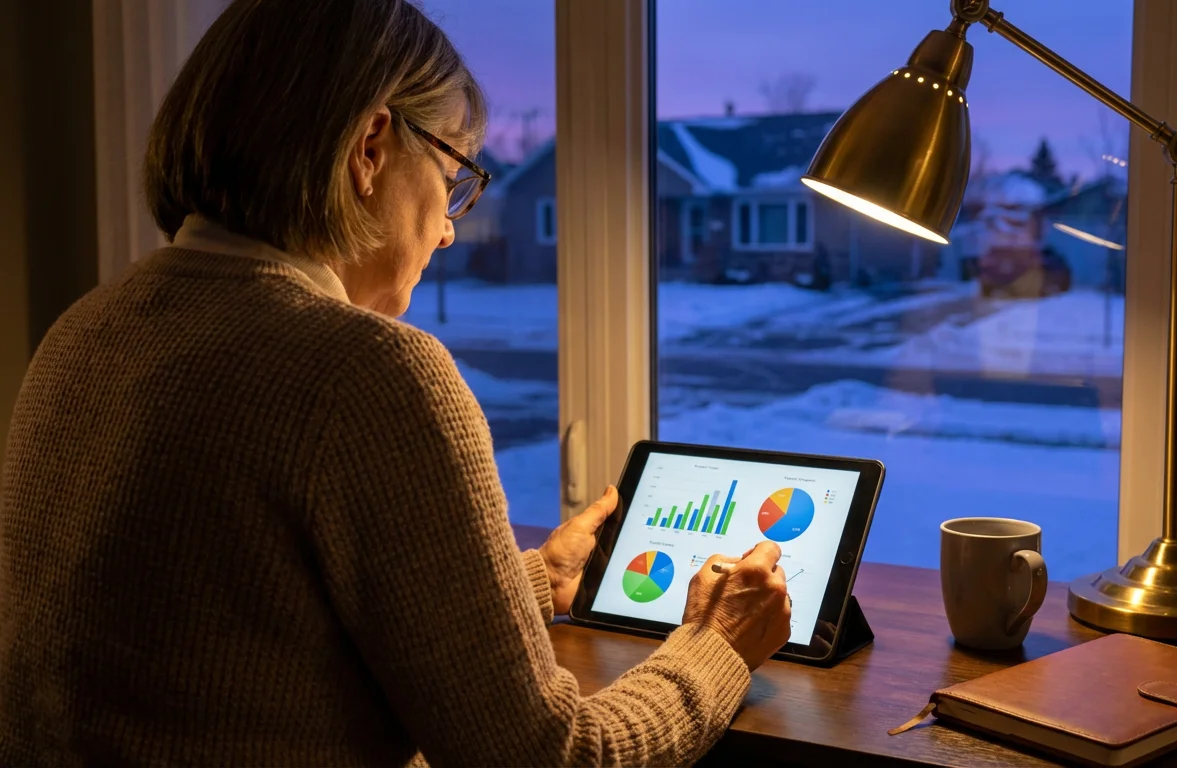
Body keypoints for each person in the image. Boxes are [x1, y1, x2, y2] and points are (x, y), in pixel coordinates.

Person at [0, 0, 792, 765]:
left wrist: (529, 580)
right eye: (452, 176)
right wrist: (714, 647)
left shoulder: (86, 330)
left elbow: (242, 634)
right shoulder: (367, 372)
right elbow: (546, 758)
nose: (450, 226)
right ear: (372, 147)